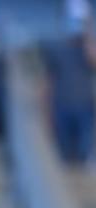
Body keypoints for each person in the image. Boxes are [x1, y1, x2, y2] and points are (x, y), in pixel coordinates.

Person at [42, 0, 96, 165]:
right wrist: (47, 111)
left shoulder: (89, 47)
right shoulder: (56, 48)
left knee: (83, 154)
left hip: (85, 108)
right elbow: (48, 82)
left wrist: (87, 31)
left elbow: (92, 61)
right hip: (62, 106)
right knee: (64, 156)